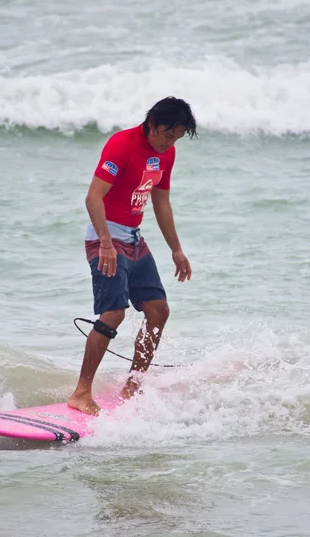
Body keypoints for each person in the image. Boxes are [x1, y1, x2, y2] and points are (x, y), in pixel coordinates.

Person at [68, 96, 197, 415]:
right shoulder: (122, 144)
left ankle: (133, 385)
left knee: (158, 310)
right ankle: (81, 392)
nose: (170, 143)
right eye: (168, 134)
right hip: (106, 237)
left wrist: (176, 249)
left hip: (134, 238)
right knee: (114, 313)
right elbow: (93, 198)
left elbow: (161, 203)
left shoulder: (166, 154)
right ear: (152, 123)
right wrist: (106, 243)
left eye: (177, 137)